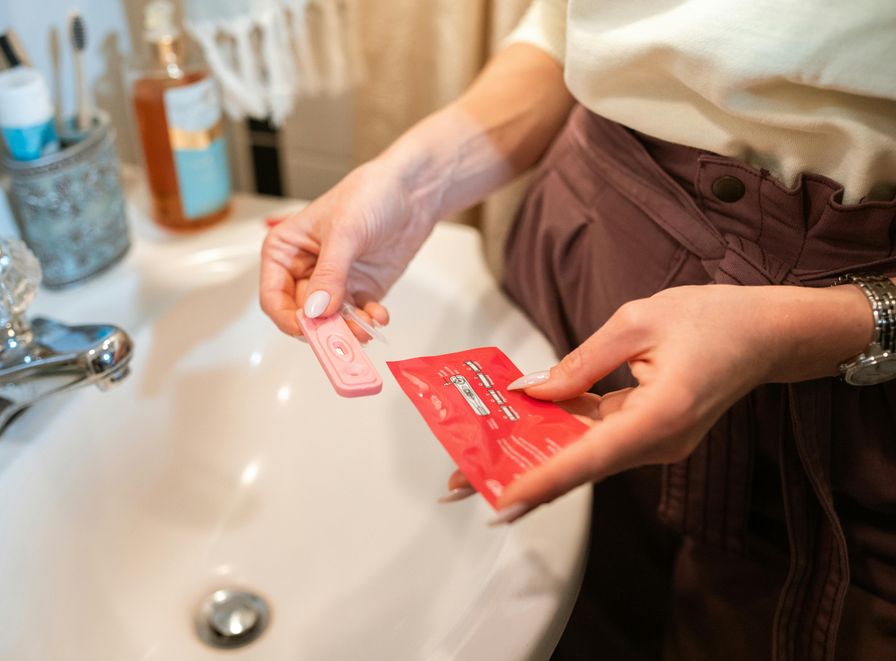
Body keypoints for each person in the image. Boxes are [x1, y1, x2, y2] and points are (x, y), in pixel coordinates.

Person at [259, 1, 896, 658]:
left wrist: (829, 326)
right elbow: (570, 28)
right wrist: (414, 182)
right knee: (563, 608)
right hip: (578, 249)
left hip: (839, 372)